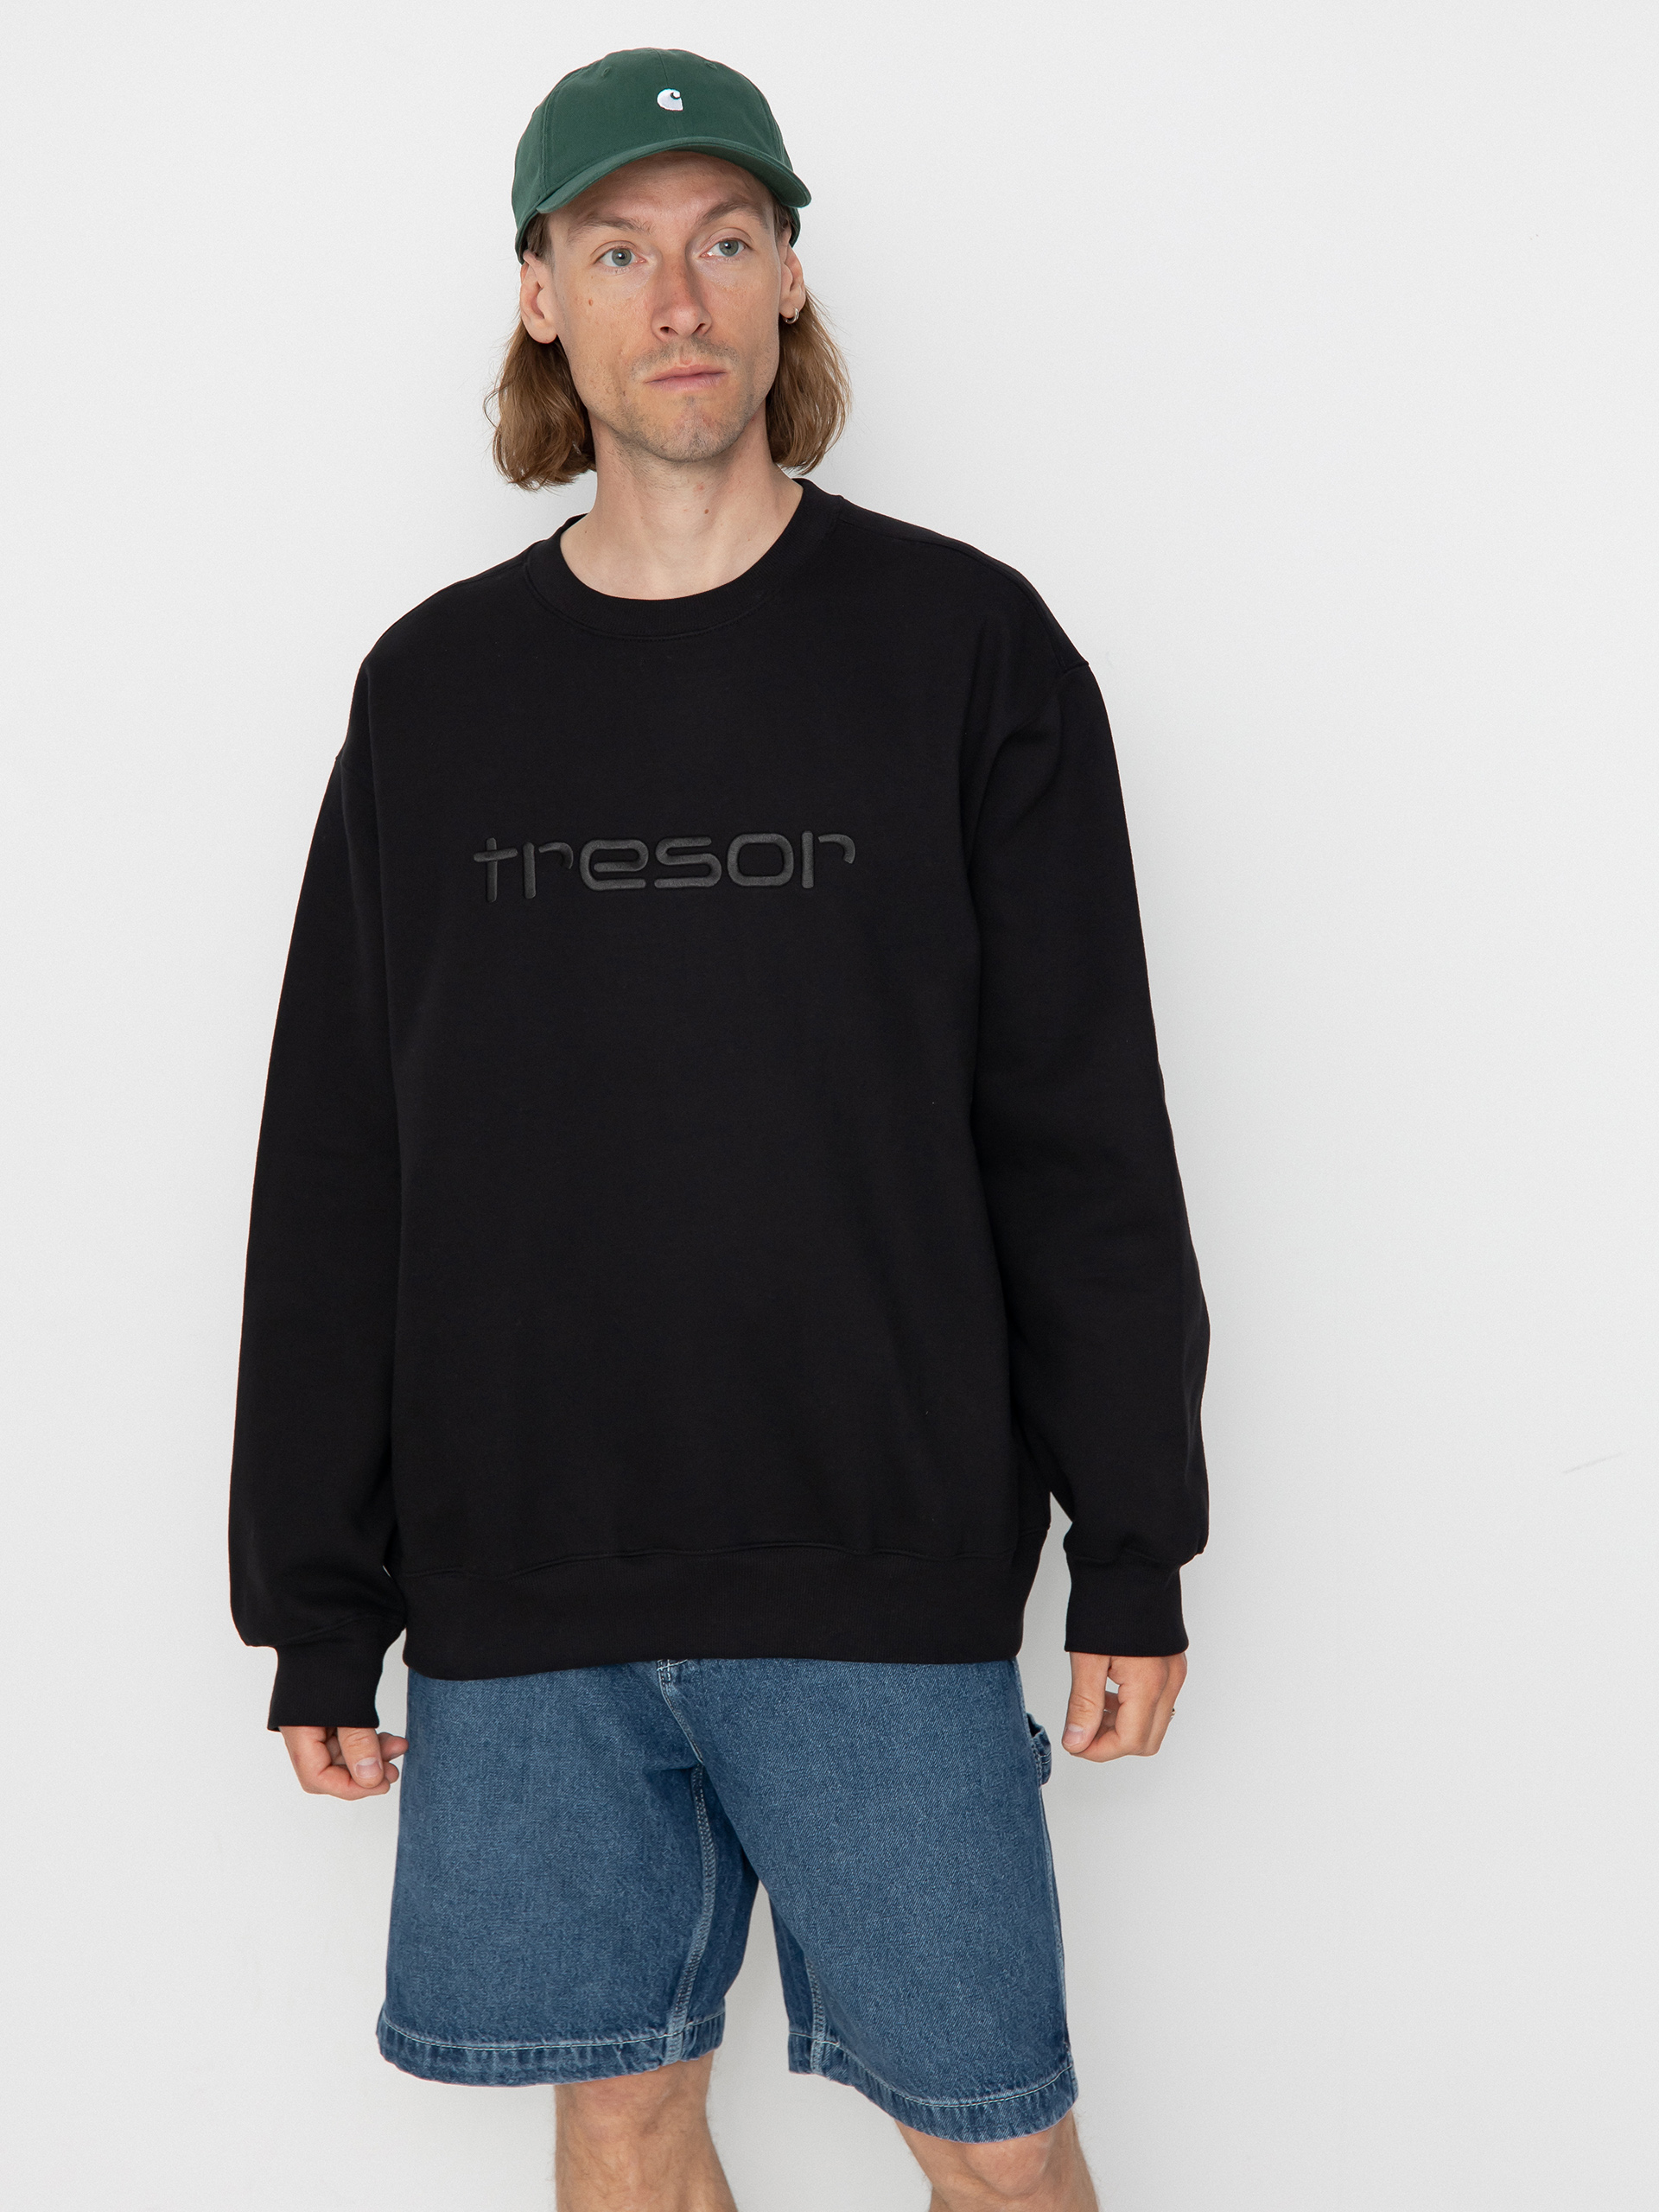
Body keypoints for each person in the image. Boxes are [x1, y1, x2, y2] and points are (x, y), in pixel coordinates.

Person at [229, 45, 1208, 2212]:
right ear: (540, 297)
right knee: (621, 2119)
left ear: (787, 284)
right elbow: (339, 1165)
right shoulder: (433, 695)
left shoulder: (966, 650)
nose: (677, 299)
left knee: (1001, 2145)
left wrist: (1133, 1537)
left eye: (725, 241)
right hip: (524, 1578)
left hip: (875, 1560)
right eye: (618, 250)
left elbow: (1080, 1129)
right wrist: (316, 1589)